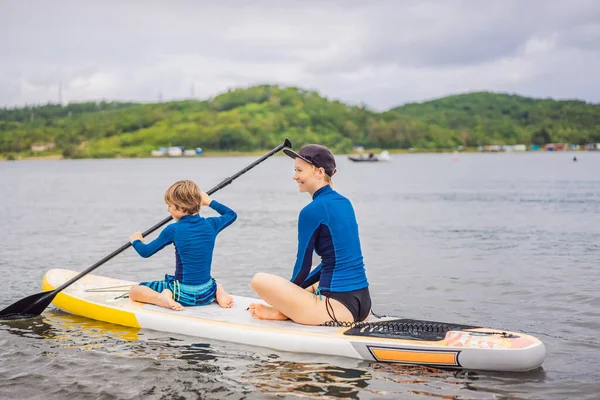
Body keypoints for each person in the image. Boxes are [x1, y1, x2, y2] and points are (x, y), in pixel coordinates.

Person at [249, 144, 371, 325]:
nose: (295, 176)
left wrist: (285, 302)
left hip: (334, 307)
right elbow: (333, 260)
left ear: (319, 172)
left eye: (299, 170)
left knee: (258, 280)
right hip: (363, 303)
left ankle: (282, 313)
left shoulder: (311, 211)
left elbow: (302, 266)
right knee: (310, 284)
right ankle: (293, 308)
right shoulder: (345, 203)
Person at [128, 180, 236, 311]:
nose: (168, 210)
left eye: (170, 206)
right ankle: (218, 291)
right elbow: (231, 215)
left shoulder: (173, 229)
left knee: (135, 291)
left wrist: (136, 240)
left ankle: (162, 298)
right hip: (206, 293)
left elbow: (145, 252)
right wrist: (209, 201)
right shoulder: (211, 224)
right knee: (213, 282)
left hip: (182, 294)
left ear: (181, 207)